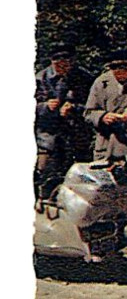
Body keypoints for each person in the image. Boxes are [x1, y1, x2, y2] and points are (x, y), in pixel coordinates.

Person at [34, 44, 94, 199]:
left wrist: (74, 108)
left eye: (66, 59)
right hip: (48, 136)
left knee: (81, 178)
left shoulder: (85, 78)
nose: (61, 64)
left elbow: (94, 107)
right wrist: (45, 106)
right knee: (45, 172)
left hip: (77, 136)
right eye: (56, 60)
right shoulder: (40, 79)